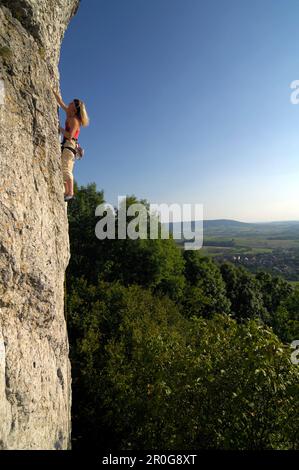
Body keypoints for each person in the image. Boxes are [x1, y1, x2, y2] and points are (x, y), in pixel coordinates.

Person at [52, 89, 89, 201]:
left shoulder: (74, 120)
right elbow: (61, 103)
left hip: (70, 145)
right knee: (64, 169)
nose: (70, 103)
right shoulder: (69, 113)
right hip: (69, 146)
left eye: (72, 103)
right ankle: (67, 192)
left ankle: (71, 192)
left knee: (66, 169)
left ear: (75, 108)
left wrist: (59, 128)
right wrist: (54, 92)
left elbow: (69, 135)